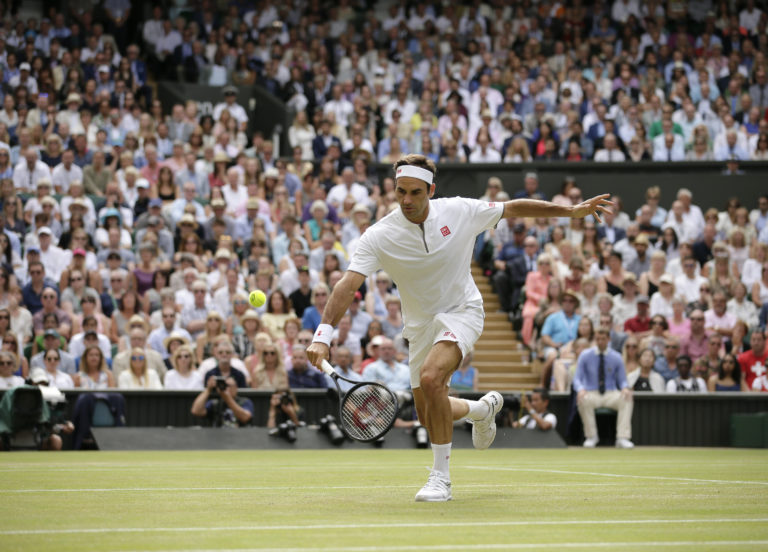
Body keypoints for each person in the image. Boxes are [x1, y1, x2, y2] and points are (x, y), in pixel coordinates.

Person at [306, 154, 612, 501]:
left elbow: (513, 208)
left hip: (463, 311)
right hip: (420, 327)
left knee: (432, 378)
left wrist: (569, 212)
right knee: (428, 414)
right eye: (400, 191)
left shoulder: (460, 210)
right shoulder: (378, 236)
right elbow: (347, 285)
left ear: (431, 191)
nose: (406, 200)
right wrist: (323, 335)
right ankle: (482, 410)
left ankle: (440, 479)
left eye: (415, 193)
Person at [573, 327, 634, 449]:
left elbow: (622, 380)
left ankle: (622, 438)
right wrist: (580, 389)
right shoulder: (585, 355)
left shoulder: (616, 357)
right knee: (583, 399)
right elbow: (577, 378)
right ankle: (591, 437)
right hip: (591, 392)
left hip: (610, 393)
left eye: (603, 339)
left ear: (609, 339)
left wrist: (625, 388)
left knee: (626, 398)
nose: (600, 341)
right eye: (598, 339)